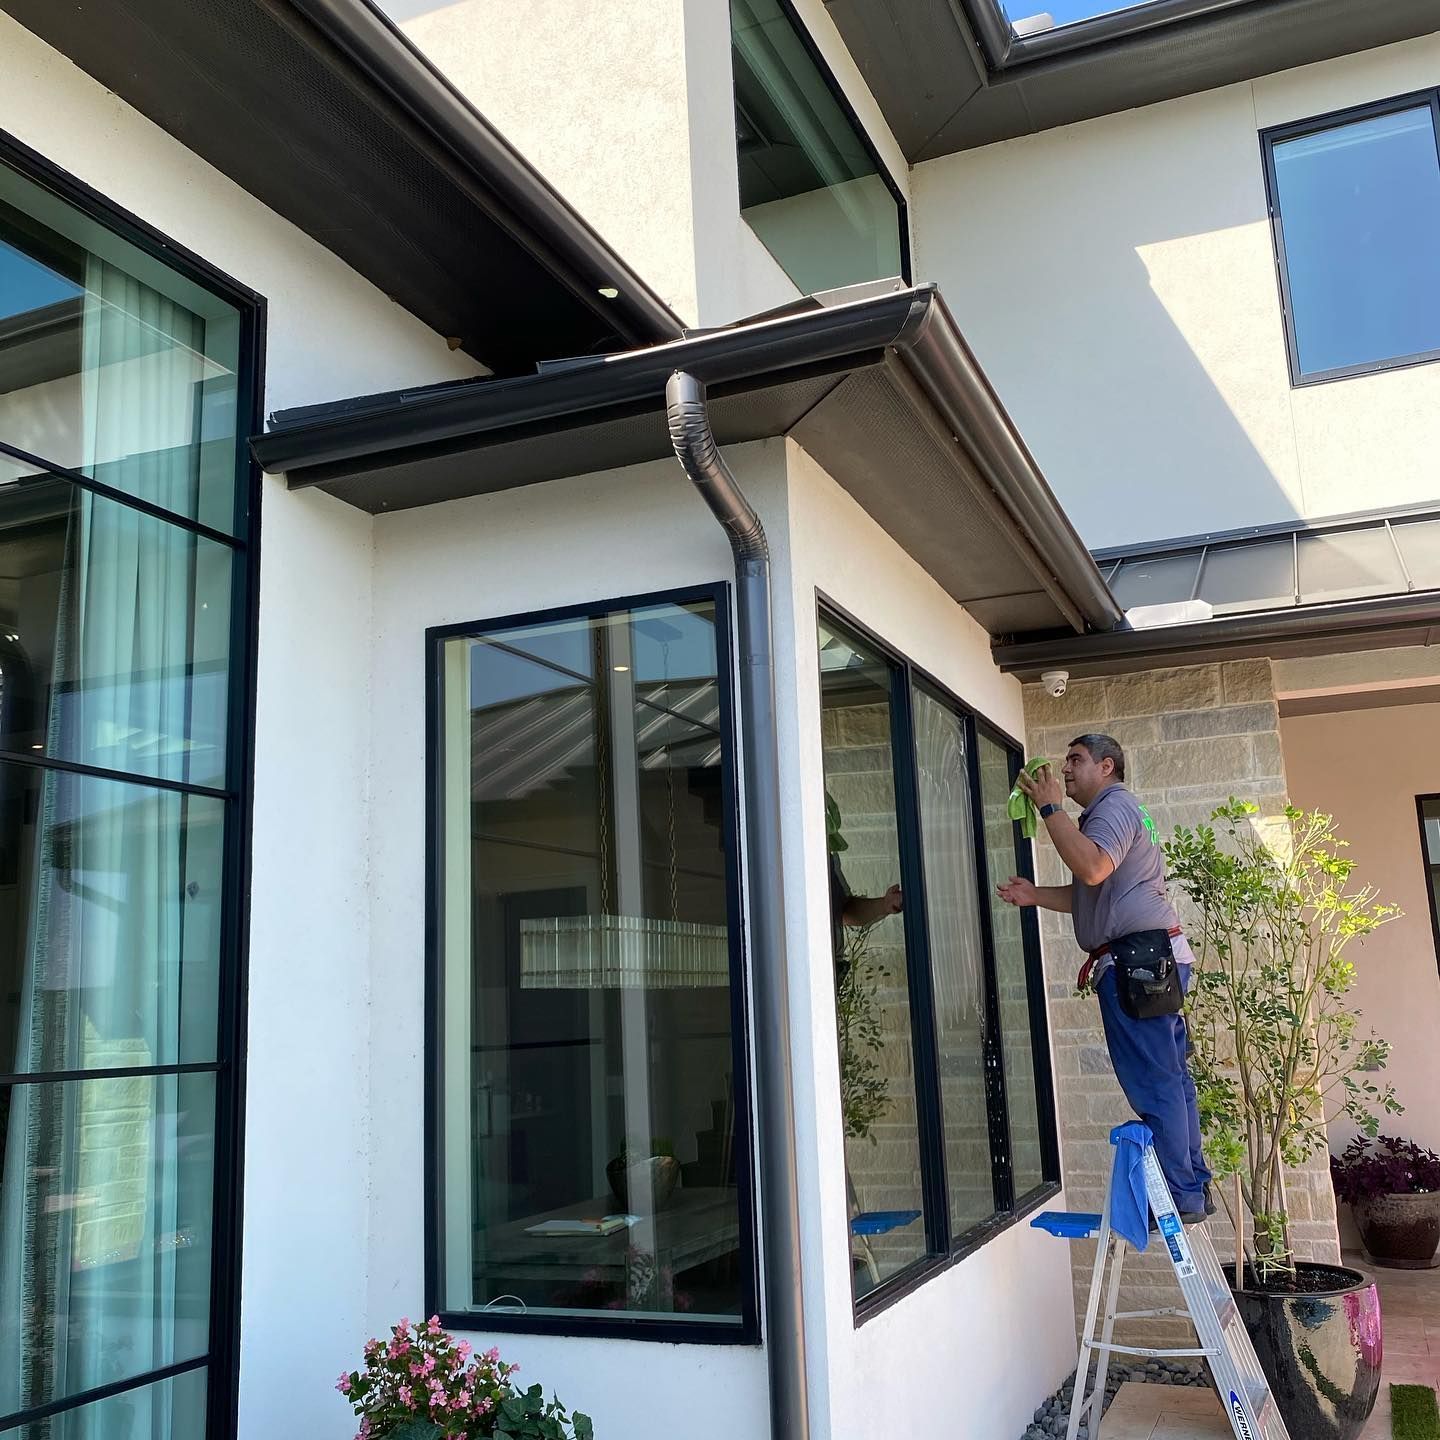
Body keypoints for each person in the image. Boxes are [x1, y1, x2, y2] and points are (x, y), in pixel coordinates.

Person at [997, 733, 1212, 1223]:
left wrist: (1052, 810)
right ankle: (1191, 1185)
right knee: (1171, 1079)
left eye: (1076, 760)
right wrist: (1035, 895)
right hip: (1148, 960)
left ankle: (1180, 1196)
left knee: (1155, 1082)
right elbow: (1093, 895)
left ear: (1107, 766)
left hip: (1139, 963)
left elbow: (1092, 870)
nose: (1066, 769)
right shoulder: (1111, 814)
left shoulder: (1113, 806)